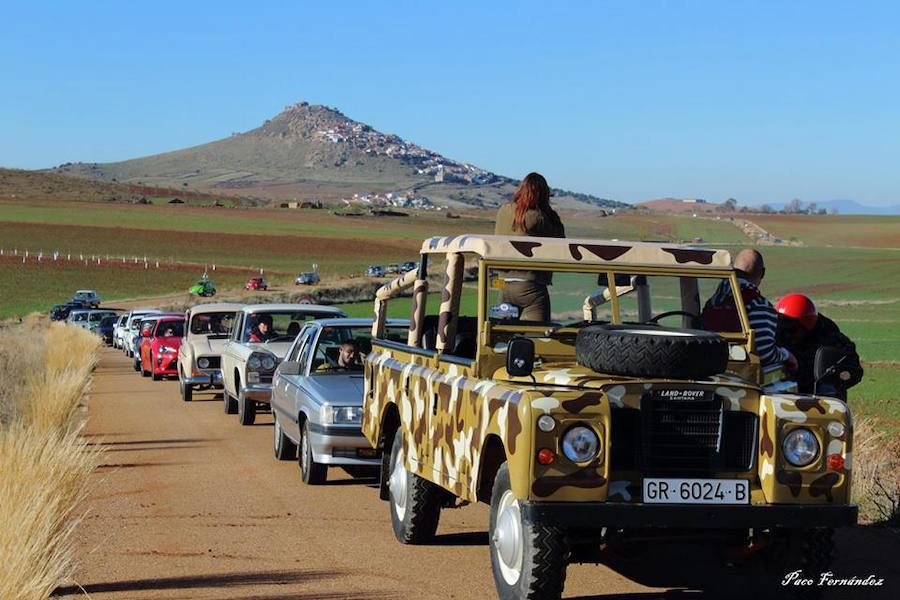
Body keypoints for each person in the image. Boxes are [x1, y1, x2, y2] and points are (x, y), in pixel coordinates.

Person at [701, 248, 797, 369]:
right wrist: (786, 355)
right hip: (738, 377)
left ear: (733, 270)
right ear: (762, 273)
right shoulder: (760, 305)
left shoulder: (714, 301)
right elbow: (765, 354)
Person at [494, 172, 566, 321]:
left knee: (501, 333)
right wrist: (550, 212)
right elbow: (560, 240)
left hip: (503, 285)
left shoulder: (503, 211)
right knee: (537, 336)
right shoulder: (537, 217)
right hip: (530, 286)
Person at [775, 293, 863, 400]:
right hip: (784, 398)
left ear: (806, 325)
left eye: (792, 330)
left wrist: (832, 381)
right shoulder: (775, 335)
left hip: (820, 402)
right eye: (783, 330)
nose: (787, 335)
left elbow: (855, 371)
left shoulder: (832, 340)